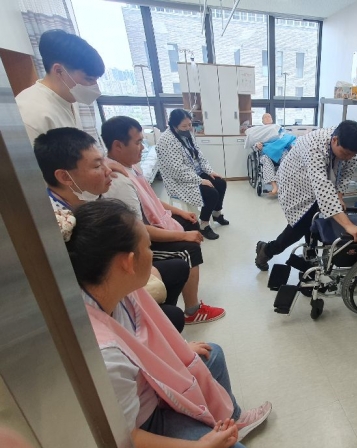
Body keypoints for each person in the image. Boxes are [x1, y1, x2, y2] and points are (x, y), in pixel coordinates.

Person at [63, 199, 272, 448]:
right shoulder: (104, 353)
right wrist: (200, 447)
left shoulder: (113, 288)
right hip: (145, 420)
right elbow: (125, 438)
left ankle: (232, 421)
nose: (153, 255)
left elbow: (143, 339)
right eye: (148, 247)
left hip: (148, 385)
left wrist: (179, 351)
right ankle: (218, 434)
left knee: (212, 354)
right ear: (127, 263)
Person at [33, 127, 189, 332]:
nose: (108, 171)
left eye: (105, 162)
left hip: (114, 279)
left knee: (177, 270)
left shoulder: (87, 199)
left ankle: (161, 320)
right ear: (65, 176)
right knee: (172, 314)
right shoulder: (59, 226)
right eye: (98, 165)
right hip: (98, 301)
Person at [101, 116, 226, 325]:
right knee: (190, 248)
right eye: (138, 142)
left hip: (157, 214)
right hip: (143, 232)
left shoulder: (131, 167)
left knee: (194, 218)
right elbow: (138, 230)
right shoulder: (120, 182)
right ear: (118, 146)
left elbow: (150, 198)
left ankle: (211, 219)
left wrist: (179, 212)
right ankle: (193, 310)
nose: (143, 147)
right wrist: (183, 235)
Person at [255, 120, 357, 271]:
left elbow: (346, 173)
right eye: (346, 154)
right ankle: (267, 250)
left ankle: (310, 260)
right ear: (334, 140)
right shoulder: (314, 145)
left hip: (317, 180)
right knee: (300, 226)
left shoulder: (348, 146)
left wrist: (339, 196)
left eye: (353, 155)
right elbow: (322, 187)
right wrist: (348, 225)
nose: (348, 158)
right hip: (295, 181)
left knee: (314, 222)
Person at [15, 29, 104, 144]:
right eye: (89, 79)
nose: (94, 87)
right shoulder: (29, 115)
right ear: (59, 71)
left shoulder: (69, 96)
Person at [156, 109, 229, 240]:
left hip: (195, 173)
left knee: (220, 182)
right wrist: (200, 181)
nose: (188, 128)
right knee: (211, 193)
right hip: (179, 180)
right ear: (174, 125)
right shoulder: (166, 141)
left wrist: (209, 171)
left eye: (189, 124)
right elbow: (177, 169)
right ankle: (204, 225)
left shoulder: (187, 134)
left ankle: (216, 214)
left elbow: (199, 155)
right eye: (184, 126)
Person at [252, 113, 295, 196]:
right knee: (265, 159)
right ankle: (274, 186)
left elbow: (287, 138)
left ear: (272, 119)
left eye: (269, 116)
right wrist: (257, 145)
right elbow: (254, 143)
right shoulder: (259, 131)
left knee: (286, 155)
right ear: (262, 121)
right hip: (266, 153)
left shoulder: (278, 129)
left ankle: (283, 184)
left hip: (280, 152)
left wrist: (292, 144)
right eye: (265, 117)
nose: (268, 118)